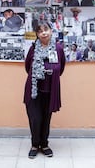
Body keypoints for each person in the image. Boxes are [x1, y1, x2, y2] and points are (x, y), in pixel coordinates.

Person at [23, 21, 66, 159]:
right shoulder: (33, 48)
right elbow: (27, 66)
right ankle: (35, 145)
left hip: (50, 90)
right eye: (40, 31)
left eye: (46, 29)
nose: (44, 33)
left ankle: (44, 144)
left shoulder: (58, 48)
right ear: (37, 34)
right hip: (34, 90)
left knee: (46, 118)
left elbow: (62, 67)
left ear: (51, 31)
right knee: (35, 118)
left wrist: (51, 73)